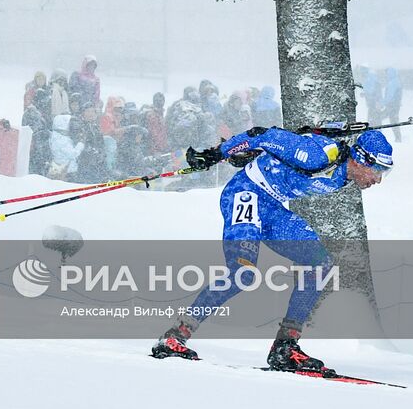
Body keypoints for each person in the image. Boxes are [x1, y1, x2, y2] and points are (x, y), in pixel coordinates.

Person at [151, 124, 393, 375]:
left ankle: (285, 348)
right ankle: (175, 336)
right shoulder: (315, 155)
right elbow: (262, 135)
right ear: (362, 159)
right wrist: (217, 153)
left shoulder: (343, 170)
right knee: (242, 273)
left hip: (272, 208)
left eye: (385, 172)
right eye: (377, 170)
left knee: (320, 264)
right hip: (246, 194)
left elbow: (310, 143)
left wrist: (321, 130)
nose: (378, 179)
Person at [381, 67, 403, 141]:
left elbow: (389, 96)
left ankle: (398, 138)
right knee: (394, 120)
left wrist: (382, 103)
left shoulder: (392, 83)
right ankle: (398, 138)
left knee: (392, 121)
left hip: (392, 105)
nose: (386, 75)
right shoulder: (397, 81)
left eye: (387, 73)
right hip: (396, 105)